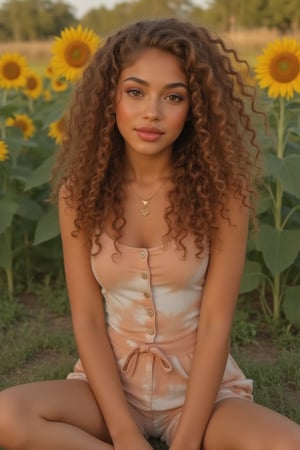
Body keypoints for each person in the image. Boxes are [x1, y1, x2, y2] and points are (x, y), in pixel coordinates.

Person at [0, 17, 299, 450]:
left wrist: (187, 440)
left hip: (202, 396)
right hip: (108, 392)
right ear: (111, 99)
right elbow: (85, 317)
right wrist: (123, 434)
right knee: (7, 416)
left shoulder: (223, 195)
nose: (151, 112)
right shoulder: (79, 194)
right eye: (135, 92)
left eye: (173, 97)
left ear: (194, 108)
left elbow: (216, 323)